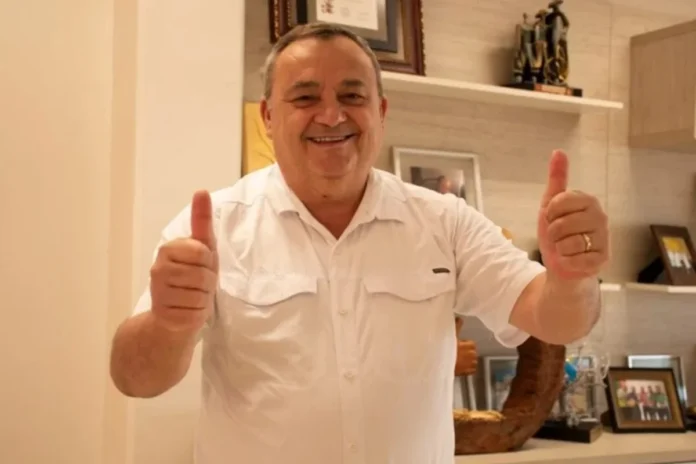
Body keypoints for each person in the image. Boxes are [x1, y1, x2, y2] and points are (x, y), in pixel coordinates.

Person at [109, 22, 609, 464]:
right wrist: (167, 324)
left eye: (352, 96)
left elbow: (556, 318)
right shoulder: (214, 227)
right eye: (304, 98)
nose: (331, 116)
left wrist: (572, 279)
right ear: (268, 116)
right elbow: (135, 379)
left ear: (381, 110)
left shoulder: (444, 221)